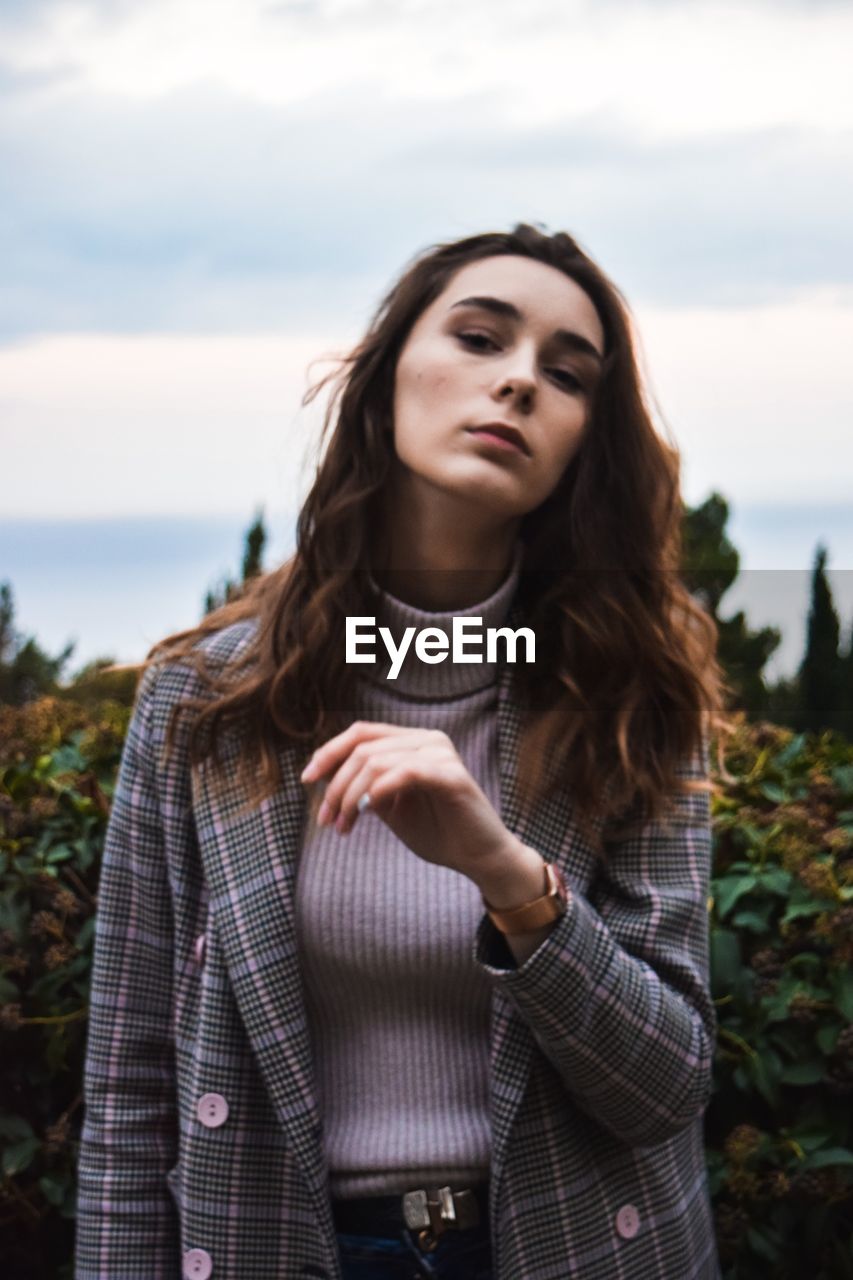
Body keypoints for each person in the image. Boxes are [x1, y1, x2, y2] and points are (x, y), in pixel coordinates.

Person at [75, 223, 728, 1279]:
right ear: (384, 381)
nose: (518, 382)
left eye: (565, 375)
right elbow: (128, 1087)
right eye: (480, 338)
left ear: (581, 445)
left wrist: (509, 876)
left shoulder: (629, 699)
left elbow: (665, 1082)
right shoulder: (206, 700)